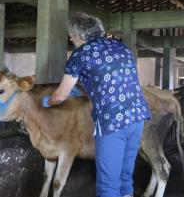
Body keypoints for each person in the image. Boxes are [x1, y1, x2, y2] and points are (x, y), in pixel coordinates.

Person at [41, 12, 151, 197]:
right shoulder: (122, 47)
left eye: (71, 35)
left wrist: (45, 101)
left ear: (79, 35)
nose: (70, 38)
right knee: (125, 176)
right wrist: (91, 97)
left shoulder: (80, 54)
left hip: (112, 122)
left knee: (108, 183)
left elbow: (60, 96)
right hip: (138, 117)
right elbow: (113, 82)